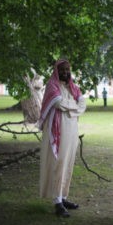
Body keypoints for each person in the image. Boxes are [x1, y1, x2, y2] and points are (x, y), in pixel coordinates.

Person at [38, 59, 86, 217]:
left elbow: (83, 104)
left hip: (72, 130)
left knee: (69, 162)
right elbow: (58, 103)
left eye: (68, 69)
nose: (65, 72)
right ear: (56, 71)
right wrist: (75, 107)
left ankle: (64, 197)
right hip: (57, 131)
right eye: (62, 70)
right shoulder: (52, 85)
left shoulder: (73, 87)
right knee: (58, 162)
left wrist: (72, 107)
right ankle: (57, 201)